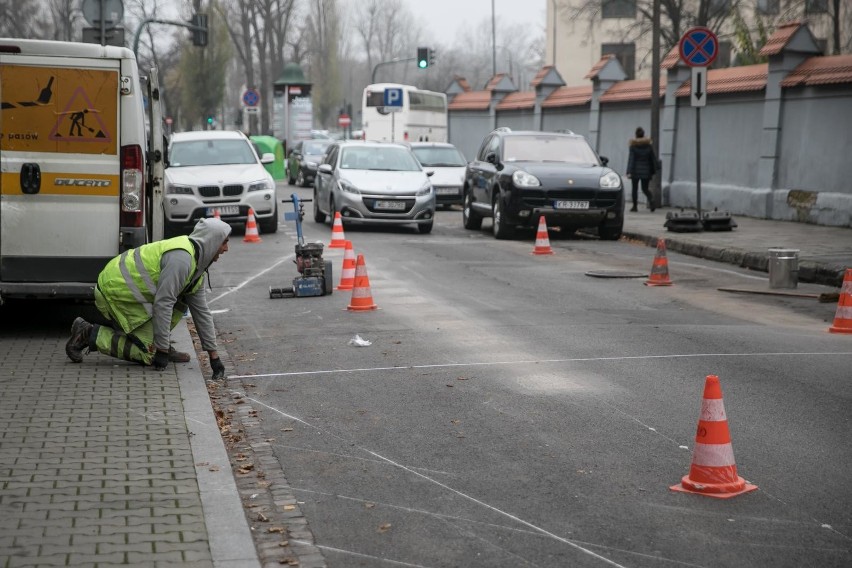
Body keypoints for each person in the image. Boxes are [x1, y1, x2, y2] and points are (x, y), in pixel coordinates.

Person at [65, 218, 231, 379]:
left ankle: (159, 341)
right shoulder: (182, 260)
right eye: (224, 242)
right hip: (114, 292)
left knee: (181, 302)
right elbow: (163, 303)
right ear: (212, 241)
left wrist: (214, 357)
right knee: (149, 354)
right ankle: (88, 333)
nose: (226, 249)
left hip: (128, 294)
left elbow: (201, 313)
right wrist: (161, 350)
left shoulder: (196, 268)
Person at [626, 127, 657, 212]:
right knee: (645, 188)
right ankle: (651, 200)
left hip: (635, 171)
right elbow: (652, 159)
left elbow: (631, 159)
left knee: (634, 189)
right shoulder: (648, 146)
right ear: (643, 135)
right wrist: (652, 170)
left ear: (636, 135)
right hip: (646, 171)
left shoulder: (633, 146)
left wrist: (629, 171)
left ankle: (635, 207)